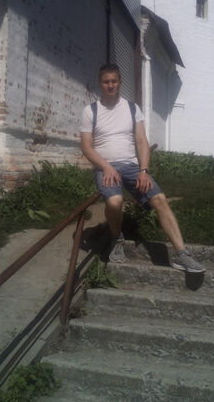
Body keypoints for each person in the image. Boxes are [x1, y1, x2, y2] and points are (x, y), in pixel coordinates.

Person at [80, 63, 205, 273]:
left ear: (119, 82)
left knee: (160, 199)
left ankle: (182, 254)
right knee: (115, 201)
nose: (110, 85)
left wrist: (144, 170)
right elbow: (86, 147)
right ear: (100, 84)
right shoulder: (90, 111)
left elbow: (141, 141)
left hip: (131, 166)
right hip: (105, 167)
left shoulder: (132, 108)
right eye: (106, 81)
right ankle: (116, 237)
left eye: (114, 81)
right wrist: (106, 166)